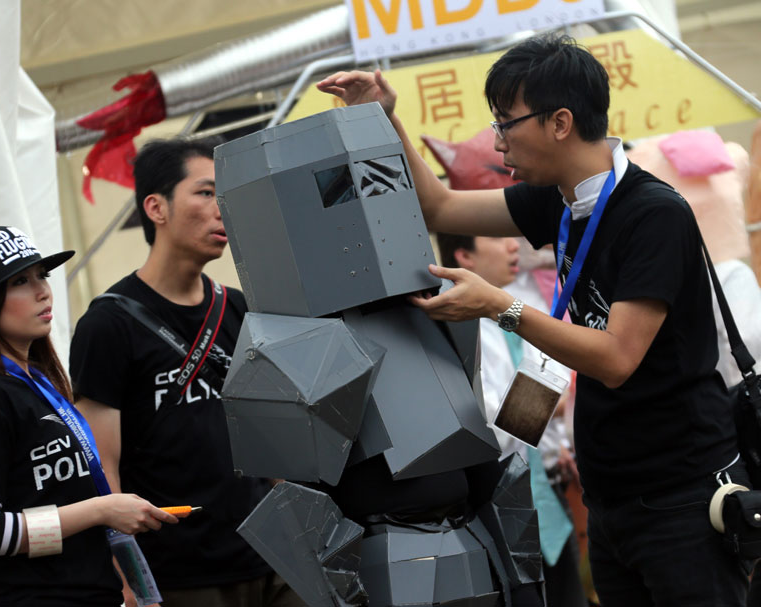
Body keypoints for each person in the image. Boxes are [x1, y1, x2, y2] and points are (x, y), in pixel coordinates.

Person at [318, 33, 750, 606]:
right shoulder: (560, 201)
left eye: (506, 123)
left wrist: (500, 306)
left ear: (560, 122)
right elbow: (439, 206)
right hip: (612, 497)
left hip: (679, 497)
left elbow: (618, 358)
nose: (499, 141)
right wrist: (384, 119)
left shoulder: (653, 214)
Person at [70, 139, 301, 607]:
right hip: (181, 573)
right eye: (206, 193)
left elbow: (271, 435)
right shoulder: (108, 324)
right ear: (156, 207)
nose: (223, 210)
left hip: (272, 556)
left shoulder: (235, 307)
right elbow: (101, 466)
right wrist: (124, 576)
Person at [0, 226, 177, 607]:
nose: (43, 290)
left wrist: (136, 588)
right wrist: (101, 510)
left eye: (42, 275)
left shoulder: (36, 381)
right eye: (19, 281)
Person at [437, 233, 586, 607]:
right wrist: (557, 397)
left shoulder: (514, 312)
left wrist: (556, 447)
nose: (511, 247)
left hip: (546, 494)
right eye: (495, 238)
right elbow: (498, 428)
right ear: (463, 256)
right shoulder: (464, 331)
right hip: (500, 499)